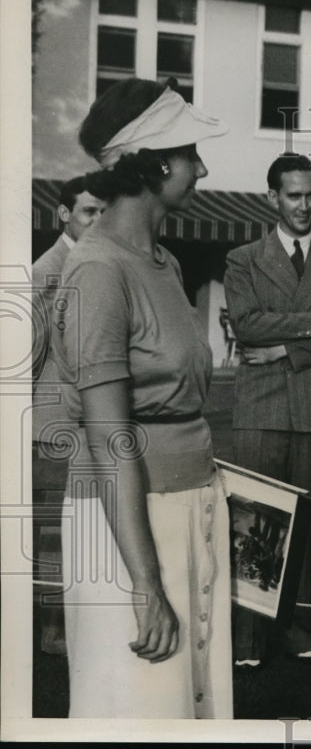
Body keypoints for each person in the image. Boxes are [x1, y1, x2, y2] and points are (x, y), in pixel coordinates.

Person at [52, 77, 232, 717]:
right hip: (126, 523)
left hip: (185, 505)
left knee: (187, 705)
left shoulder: (167, 262)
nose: (201, 168)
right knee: (136, 710)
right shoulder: (99, 269)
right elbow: (109, 438)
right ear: (157, 164)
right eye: (190, 155)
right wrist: (147, 582)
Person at [223, 152, 311, 667]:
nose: (305, 205)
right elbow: (246, 324)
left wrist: (287, 347)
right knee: (254, 520)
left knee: (310, 522)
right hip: (260, 410)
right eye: (294, 196)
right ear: (273, 198)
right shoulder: (243, 258)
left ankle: (297, 624)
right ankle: (249, 633)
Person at [31, 175, 106, 655]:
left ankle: (77, 625)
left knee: (86, 527)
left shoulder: (95, 263)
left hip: (91, 423)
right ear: (63, 215)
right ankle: (51, 631)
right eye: (87, 213)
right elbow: (25, 355)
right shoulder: (46, 270)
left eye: (103, 212)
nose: (97, 221)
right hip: (54, 424)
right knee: (54, 534)